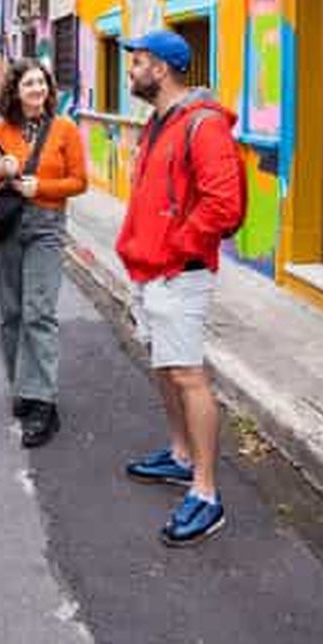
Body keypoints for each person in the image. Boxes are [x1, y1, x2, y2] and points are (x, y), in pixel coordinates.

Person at [116, 29, 246, 547]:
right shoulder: (158, 124)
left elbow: (224, 207)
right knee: (165, 366)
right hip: (149, 269)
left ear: (163, 69)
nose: (130, 72)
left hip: (179, 271)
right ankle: (179, 454)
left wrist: (175, 250)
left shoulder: (204, 126)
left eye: (137, 63)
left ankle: (207, 494)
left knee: (188, 374)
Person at [0, 59, 88, 448]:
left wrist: (40, 186)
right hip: (8, 228)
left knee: (39, 311)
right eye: (29, 84)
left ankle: (44, 402)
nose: (37, 89)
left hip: (46, 227)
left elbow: (79, 182)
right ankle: (22, 387)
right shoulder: (1, 129)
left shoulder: (65, 128)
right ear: (16, 92)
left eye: (42, 82)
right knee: (11, 312)